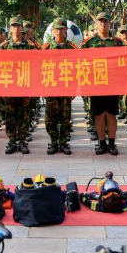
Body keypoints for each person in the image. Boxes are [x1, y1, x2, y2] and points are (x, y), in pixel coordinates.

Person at [81, 12, 124, 155]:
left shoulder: (118, 42)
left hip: (113, 84)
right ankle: (102, 143)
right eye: (100, 22)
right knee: (99, 114)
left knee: (111, 114)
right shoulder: (89, 43)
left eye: (105, 22)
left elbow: (125, 62)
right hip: (96, 84)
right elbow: (81, 62)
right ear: (96, 24)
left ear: (110, 24)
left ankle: (112, 143)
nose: (103, 24)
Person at [0, 17, 37, 154]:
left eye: (18, 26)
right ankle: (11, 141)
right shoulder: (3, 47)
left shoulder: (30, 47)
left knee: (24, 114)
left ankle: (22, 141)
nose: (16, 29)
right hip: (9, 86)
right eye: (13, 26)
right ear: (10, 29)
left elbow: (36, 67)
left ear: (22, 28)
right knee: (9, 115)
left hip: (24, 86)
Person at [42, 18, 76, 155]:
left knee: (65, 117)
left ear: (66, 30)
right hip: (51, 87)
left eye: (62, 29)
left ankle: (63, 143)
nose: (59, 31)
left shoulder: (72, 48)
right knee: (50, 117)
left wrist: (74, 88)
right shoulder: (45, 48)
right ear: (52, 31)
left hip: (66, 87)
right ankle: (53, 142)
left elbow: (76, 69)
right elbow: (40, 68)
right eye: (57, 29)